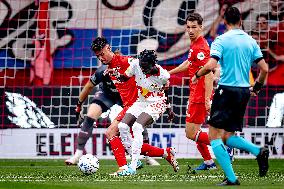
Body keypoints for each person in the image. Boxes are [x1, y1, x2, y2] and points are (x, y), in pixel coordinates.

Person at [192, 7, 269, 185]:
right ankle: (259, 151)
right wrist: (256, 87)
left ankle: (232, 179)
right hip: (243, 92)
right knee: (227, 136)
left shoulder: (222, 39)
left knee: (214, 136)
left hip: (226, 91)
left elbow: (211, 64)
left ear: (225, 22)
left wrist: (197, 75)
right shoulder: (251, 41)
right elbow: (264, 69)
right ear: (240, 21)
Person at [91, 37, 177, 175]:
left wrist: (163, 81)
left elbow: (141, 64)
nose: (101, 58)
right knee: (133, 144)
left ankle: (124, 168)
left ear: (108, 48)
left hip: (137, 104)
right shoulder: (110, 68)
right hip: (130, 105)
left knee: (111, 132)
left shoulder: (125, 61)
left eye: (102, 54)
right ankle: (165, 153)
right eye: (98, 56)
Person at [110, 49, 179, 176]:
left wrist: (169, 108)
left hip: (157, 102)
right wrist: (116, 74)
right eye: (141, 65)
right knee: (122, 127)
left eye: (145, 67)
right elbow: (125, 77)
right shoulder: (136, 64)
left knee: (137, 127)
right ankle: (136, 160)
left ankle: (132, 167)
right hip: (141, 101)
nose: (142, 69)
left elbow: (166, 91)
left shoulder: (163, 75)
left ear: (153, 64)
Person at [169, 12, 217, 171]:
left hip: (200, 95)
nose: (190, 30)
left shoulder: (201, 47)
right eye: (188, 27)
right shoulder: (195, 45)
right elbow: (189, 64)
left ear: (201, 27)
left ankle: (224, 145)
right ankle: (209, 162)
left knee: (190, 133)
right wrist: (169, 73)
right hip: (196, 93)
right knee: (196, 131)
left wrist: (207, 99)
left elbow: (209, 73)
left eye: (194, 27)